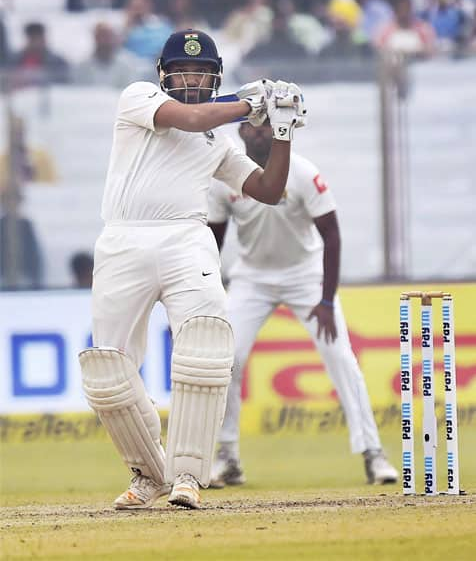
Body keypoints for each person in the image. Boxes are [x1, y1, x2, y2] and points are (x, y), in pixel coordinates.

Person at [78, 28, 303, 511]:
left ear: (215, 76)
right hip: (122, 238)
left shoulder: (217, 143)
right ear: (164, 75)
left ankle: (186, 476)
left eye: (202, 73)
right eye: (183, 71)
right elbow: (192, 115)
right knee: (107, 370)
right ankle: (148, 475)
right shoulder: (138, 98)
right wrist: (251, 103)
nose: (192, 80)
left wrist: (281, 129)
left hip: (187, 238)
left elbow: (268, 191)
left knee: (203, 348)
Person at [207, 120, 399, 488]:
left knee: (340, 356)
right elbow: (211, 243)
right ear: (242, 132)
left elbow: (332, 234)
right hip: (251, 278)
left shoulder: (303, 172)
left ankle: (373, 454)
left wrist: (326, 300)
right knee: (226, 359)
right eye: (253, 126)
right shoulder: (225, 176)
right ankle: (227, 457)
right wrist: (205, 296)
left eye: (267, 126)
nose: (261, 132)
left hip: (305, 276)